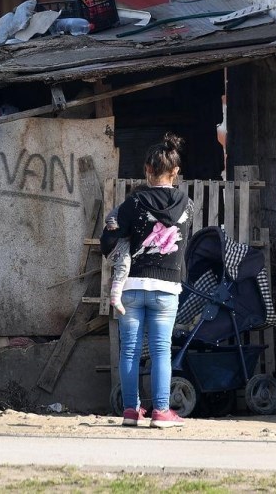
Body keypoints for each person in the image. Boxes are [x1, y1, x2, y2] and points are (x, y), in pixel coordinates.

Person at [100, 133, 194, 429]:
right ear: (176, 172)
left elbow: (110, 238)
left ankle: (130, 411)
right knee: (161, 350)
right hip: (167, 289)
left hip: (131, 287)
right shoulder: (187, 205)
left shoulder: (134, 203)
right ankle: (162, 412)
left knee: (129, 350)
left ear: (147, 170)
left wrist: (117, 237)